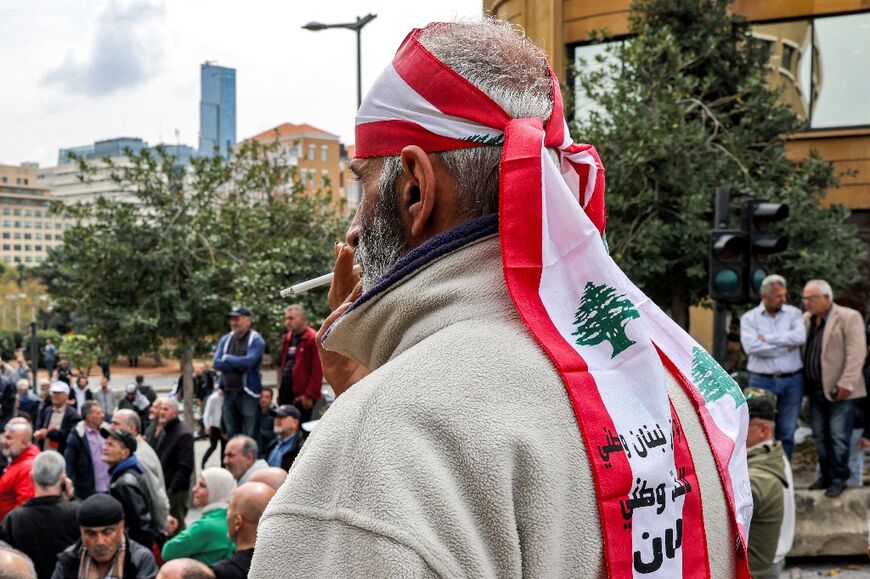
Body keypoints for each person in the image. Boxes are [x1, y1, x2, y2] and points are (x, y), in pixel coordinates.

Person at [251, 19, 752, 577]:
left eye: (363, 183)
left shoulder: (383, 442)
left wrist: (371, 411)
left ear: (414, 188)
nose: (353, 225)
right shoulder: (676, 377)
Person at [802, 279, 868, 498]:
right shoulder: (807, 320)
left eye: (811, 298)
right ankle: (826, 476)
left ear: (826, 298)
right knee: (820, 436)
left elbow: (857, 353)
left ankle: (840, 478)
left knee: (839, 436)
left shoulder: (849, 317)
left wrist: (846, 384)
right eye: (805, 298)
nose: (806, 302)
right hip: (815, 388)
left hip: (841, 390)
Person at [740, 275, 806, 458]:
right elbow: (751, 347)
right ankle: (760, 468)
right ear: (765, 295)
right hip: (761, 379)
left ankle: (783, 473)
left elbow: (799, 337)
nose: (783, 299)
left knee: (787, 429)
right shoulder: (749, 318)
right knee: (759, 426)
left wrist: (768, 340)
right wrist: (785, 348)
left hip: (792, 380)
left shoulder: (794, 314)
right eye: (778, 296)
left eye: (784, 295)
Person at [0, 451, 80, 579]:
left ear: (32, 477)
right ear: (63, 479)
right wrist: (72, 499)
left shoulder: (14, 519)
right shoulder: (77, 512)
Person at [52, 493, 158, 579]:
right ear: (81, 532)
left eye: (107, 532)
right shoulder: (68, 560)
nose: (100, 541)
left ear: (121, 527)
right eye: (91, 534)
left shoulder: (139, 559)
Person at [745, 396, 794, 578]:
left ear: (763, 430)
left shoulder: (763, 467)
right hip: (773, 556)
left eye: (744, 425)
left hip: (764, 562)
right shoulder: (775, 454)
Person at [111, 409, 171, 535]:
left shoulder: (139, 457)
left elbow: (156, 495)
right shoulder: (137, 450)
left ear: (132, 428)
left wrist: (162, 524)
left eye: (116, 424)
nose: (112, 428)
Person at [102, 428, 161, 550]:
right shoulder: (128, 474)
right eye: (105, 443)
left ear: (124, 453)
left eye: (111, 445)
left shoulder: (124, 484)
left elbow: (141, 525)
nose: (104, 448)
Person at [161, 468, 236, 564]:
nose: (194, 489)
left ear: (216, 490)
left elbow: (168, 552)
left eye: (202, 486)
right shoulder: (234, 516)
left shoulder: (206, 526)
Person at [212, 307, 265, 439]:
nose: (233, 322)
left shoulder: (256, 340)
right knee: (231, 434)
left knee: (250, 434)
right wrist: (239, 365)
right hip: (228, 393)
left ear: (248, 321)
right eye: (232, 319)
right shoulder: (225, 339)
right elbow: (216, 364)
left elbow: (249, 362)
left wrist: (227, 358)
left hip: (248, 394)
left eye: (237, 319)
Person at [211, 482, 274, 579]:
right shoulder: (289, 561)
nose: (226, 514)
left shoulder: (221, 573)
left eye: (229, 508)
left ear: (238, 522)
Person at [277, 305, 323, 422]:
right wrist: (280, 389)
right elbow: (283, 365)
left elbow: (317, 370)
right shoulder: (288, 338)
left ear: (302, 318)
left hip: (303, 396)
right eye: (286, 318)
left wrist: (309, 395)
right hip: (287, 391)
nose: (287, 322)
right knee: (286, 425)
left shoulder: (313, 338)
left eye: (291, 318)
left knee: (303, 428)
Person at [154, 399, 194, 533]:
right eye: (161, 409)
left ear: (175, 413)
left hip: (175, 492)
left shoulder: (183, 434)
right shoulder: (165, 430)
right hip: (165, 487)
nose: (162, 412)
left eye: (166, 409)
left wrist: (172, 489)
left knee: (176, 527)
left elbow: (186, 467)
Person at [64, 400, 111, 500]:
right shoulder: (77, 436)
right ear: (88, 416)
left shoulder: (107, 431)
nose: (102, 415)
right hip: (88, 491)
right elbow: (69, 464)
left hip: (109, 487)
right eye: (98, 413)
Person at [0, 418, 40, 521]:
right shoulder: (18, 457)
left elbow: (24, 510)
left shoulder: (28, 467)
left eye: (9, 438)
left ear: (23, 442)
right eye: (4, 435)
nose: (3, 441)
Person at [35, 382, 80, 454]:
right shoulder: (48, 411)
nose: (55, 396)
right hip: (46, 453)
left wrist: (48, 433)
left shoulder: (73, 415)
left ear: (66, 396)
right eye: (53, 393)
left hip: (62, 455)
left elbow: (69, 436)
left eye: (58, 393)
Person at [265, 404, 304, 471]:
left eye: (281, 416)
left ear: (295, 423)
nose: (276, 420)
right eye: (276, 416)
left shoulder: (301, 448)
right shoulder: (273, 443)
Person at [201, 388, 225, 470]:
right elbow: (207, 413)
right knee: (213, 446)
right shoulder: (213, 398)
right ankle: (203, 461)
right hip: (214, 425)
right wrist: (207, 425)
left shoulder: (228, 397)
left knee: (224, 447)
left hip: (224, 425)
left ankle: (223, 466)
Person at [256, 388, 276, 457]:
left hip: (267, 453)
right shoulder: (252, 415)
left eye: (267, 397)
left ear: (271, 400)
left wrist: (260, 432)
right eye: (261, 396)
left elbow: (275, 435)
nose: (263, 399)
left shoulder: (275, 415)